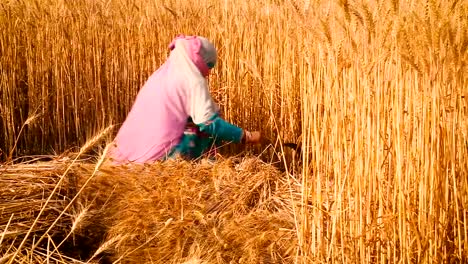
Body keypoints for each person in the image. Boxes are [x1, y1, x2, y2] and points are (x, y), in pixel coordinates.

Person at [108, 34, 261, 164]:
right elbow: (209, 123)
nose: (207, 73)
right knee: (199, 130)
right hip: (158, 158)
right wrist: (245, 136)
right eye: (209, 66)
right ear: (200, 60)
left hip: (127, 156)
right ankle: (203, 170)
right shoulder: (192, 79)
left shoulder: (161, 74)